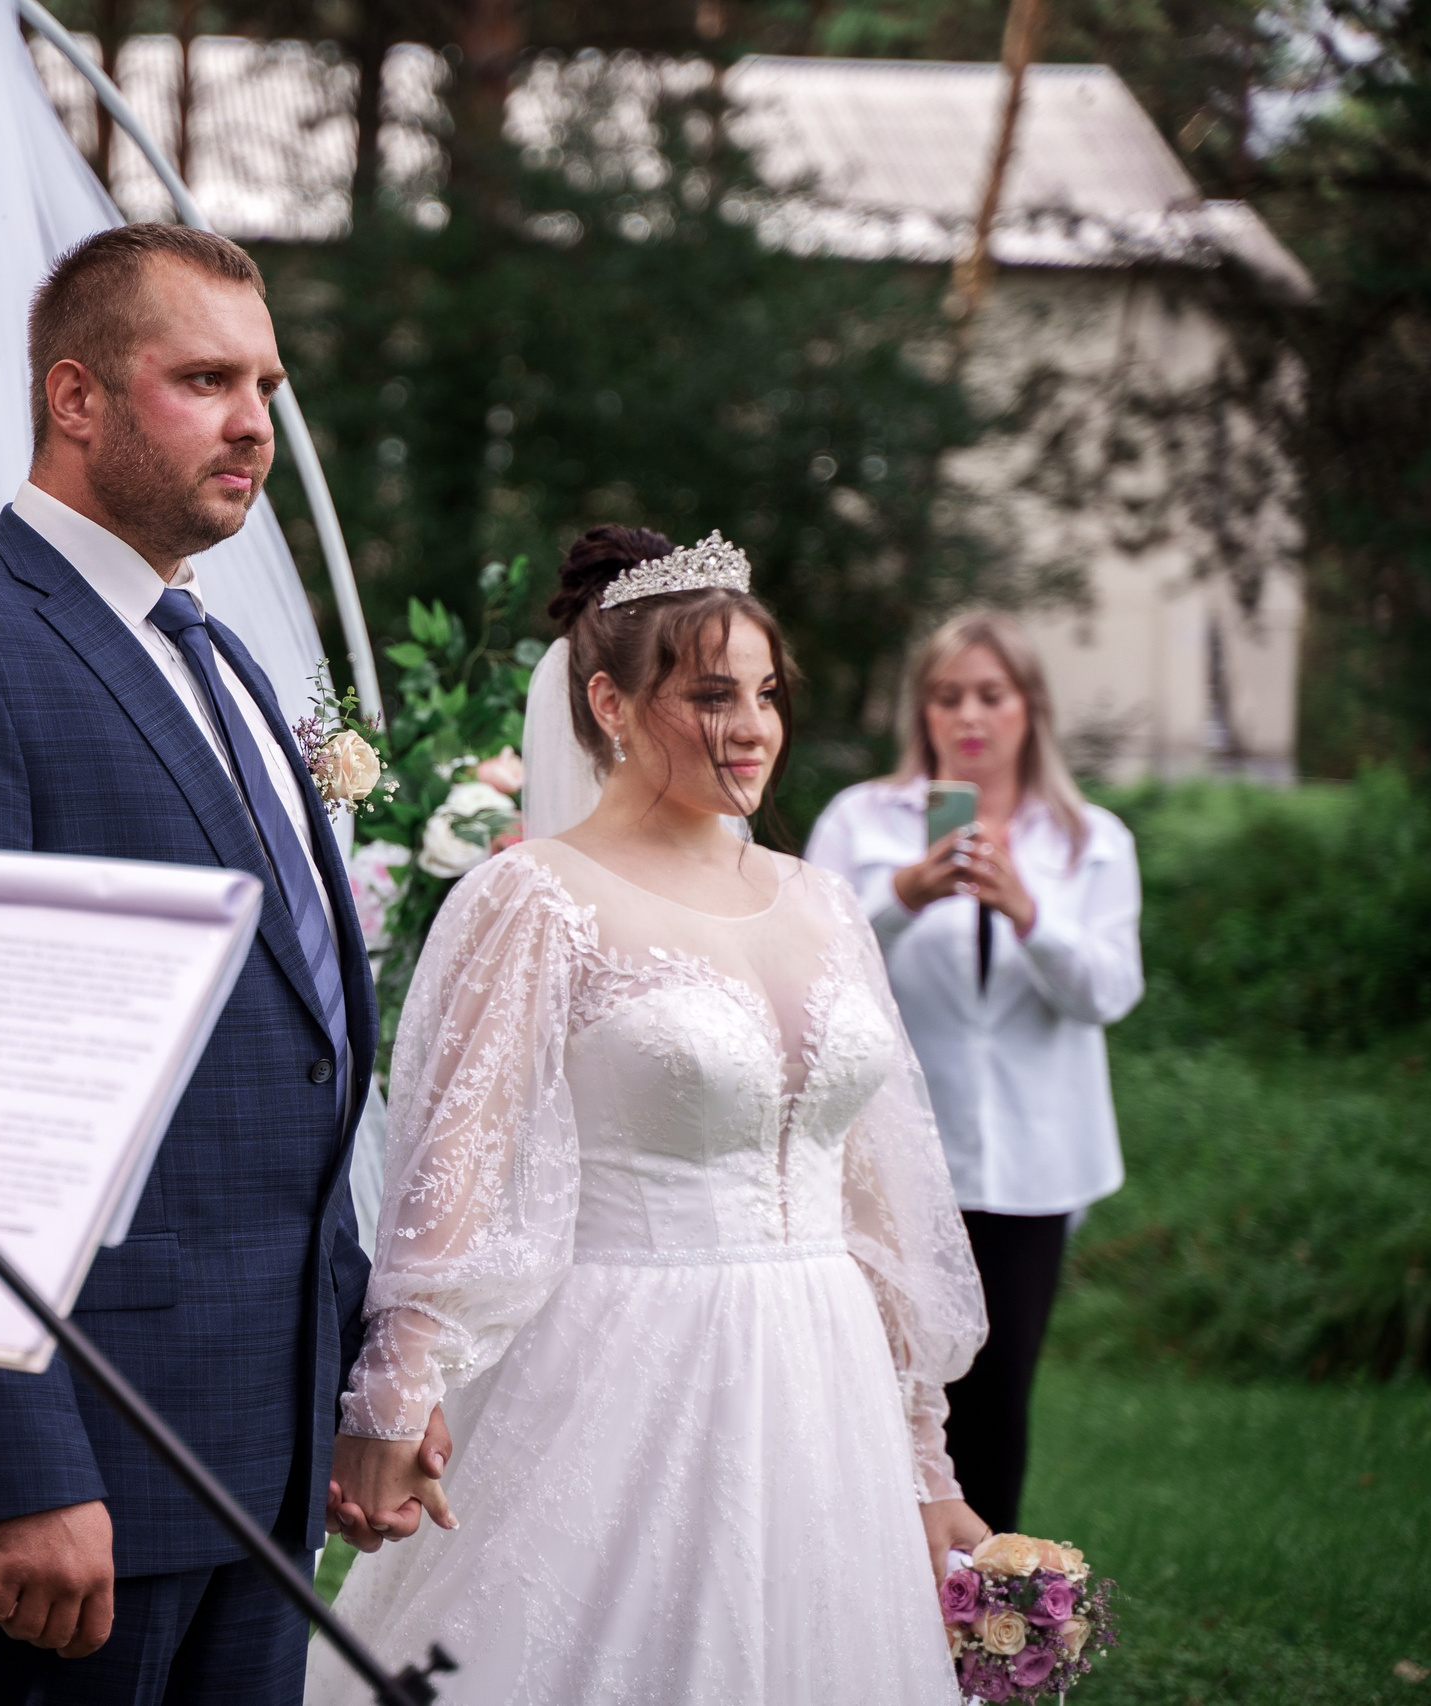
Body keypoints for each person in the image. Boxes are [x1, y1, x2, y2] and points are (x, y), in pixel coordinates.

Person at [0, 223, 391, 1704]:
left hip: (259, 1451)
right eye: (204, 378)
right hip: (86, 1482)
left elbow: (291, 1048)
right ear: (76, 399)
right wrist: (15, 1464)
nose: (255, 419)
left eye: (267, 382)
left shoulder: (219, 654)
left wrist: (356, 1363)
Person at [310, 527, 989, 1705]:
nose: (751, 726)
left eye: (766, 693)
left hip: (822, 1377)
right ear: (610, 702)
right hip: (618, 1367)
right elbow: (452, 1172)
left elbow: (877, 1201)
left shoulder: (823, 902)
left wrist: (924, 1462)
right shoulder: (533, 896)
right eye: (711, 693)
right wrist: (391, 1396)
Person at [803, 612, 1143, 1535]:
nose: (969, 715)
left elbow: (1109, 991)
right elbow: (802, 966)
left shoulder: (1089, 838)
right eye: (948, 695)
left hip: (1036, 1165)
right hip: (892, 1162)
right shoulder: (862, 820)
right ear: (923, 709)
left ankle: (985, 1625)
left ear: (1030, 708)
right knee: (876, 1383)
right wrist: (903, 896)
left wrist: (1030, 913)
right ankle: (867, 1597)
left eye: (991, 694)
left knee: (997, 1402)